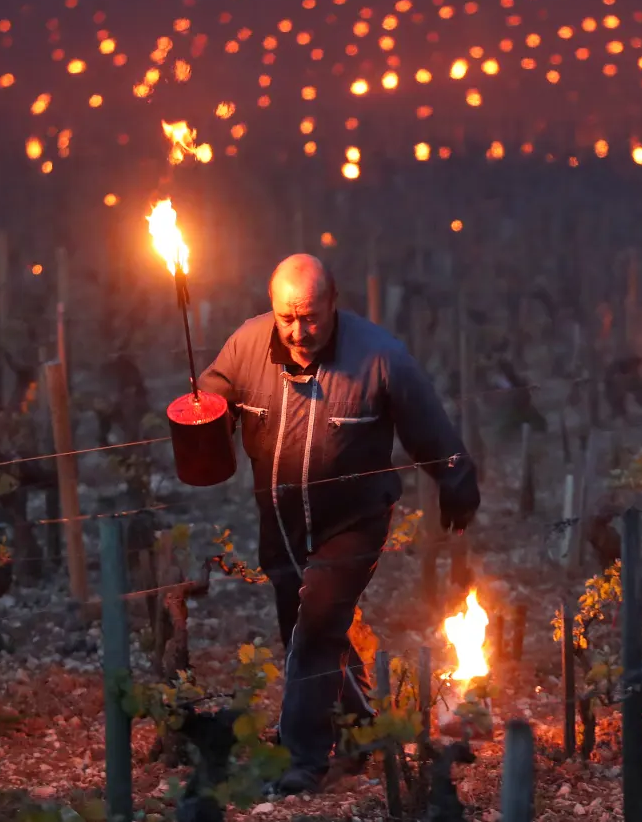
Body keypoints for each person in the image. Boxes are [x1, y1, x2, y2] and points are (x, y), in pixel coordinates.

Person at [198, 253, 479, 793]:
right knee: (299, 622)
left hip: (354, 518)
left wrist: (457, 480)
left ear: (333, 304)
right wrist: (198, 415)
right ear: (271, 309)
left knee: (318, 626)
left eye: (311, 316)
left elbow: (428, 427)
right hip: (278, 517)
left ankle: (302, 757)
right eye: (287, 317)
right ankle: (357, 724)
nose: (299, 330)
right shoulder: (245, 344)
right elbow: (213, 396)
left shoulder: (381, 356)